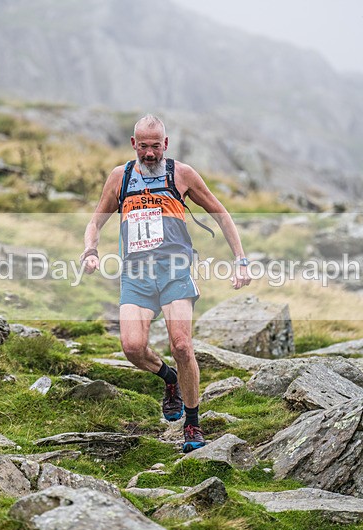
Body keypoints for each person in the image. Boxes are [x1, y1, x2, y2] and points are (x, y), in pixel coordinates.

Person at [82, 114, 251, 452]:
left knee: (182, 346)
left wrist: (241, 260)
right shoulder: (121, 177)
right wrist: (90, 250)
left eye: (155, 146)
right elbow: (95, 221)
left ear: (166, 144)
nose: (149, 153)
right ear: (134, 144)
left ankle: (192, 423)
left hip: (174, 270)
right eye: (143, 146)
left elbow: (221, 213)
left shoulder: (182, 174)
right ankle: (168, 378)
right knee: (131, 347)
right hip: (136, 274)